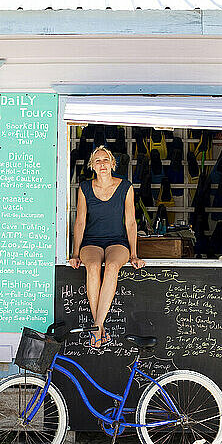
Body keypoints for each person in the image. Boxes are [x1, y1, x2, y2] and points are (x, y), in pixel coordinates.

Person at [69, 145, 145, 348]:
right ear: (92, 166)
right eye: (98, 161)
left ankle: (96, 327)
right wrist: (75, 253)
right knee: (92, 267)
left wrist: (135, 254)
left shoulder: (126, 187)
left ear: (113, 164)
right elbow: (80, 222)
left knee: (112, 267)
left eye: (105, 160)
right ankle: (99, 327)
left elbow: (130, 221)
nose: (102, 164)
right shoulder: (84, 188)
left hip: (117, 242)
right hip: (91, 241)